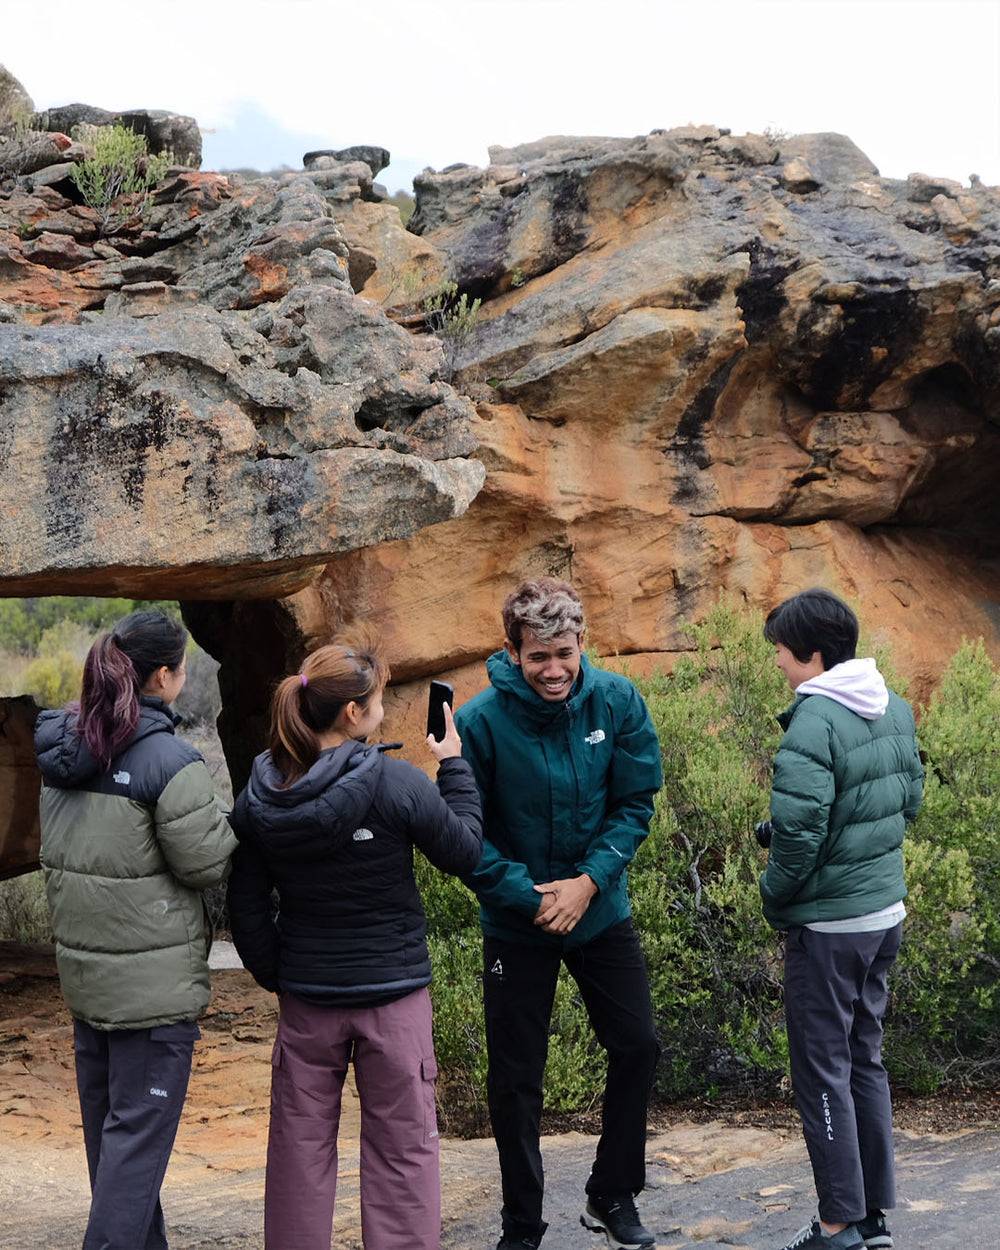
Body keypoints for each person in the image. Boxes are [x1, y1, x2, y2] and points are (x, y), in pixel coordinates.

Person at [226, 635, 483, 1250]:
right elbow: (466, 853)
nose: (382, 708)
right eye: (378, 700)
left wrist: (279, 973)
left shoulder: (262, 796)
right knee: (403, 1150)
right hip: (393, 1000)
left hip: (308, 1001)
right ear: (352, 713)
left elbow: (245, 902)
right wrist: (453, 764)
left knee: (298, 1152)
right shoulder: (397, 784)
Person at [455, 577, 663, 1250]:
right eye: (538, 656)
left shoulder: (617, 700)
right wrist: (531, 896)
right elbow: (465, 837)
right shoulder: (478, 723)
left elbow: (634, 805)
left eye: (564, 653)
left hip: (598, 910)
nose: (553, 670)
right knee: (516, 1079)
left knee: (638, 1044)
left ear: (582, 644)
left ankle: (612, 1191)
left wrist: (587, 883)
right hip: (517, 922)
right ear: (512, 651)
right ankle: (522, 1225)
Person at [34, 609, 237, 1250]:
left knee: (118, 1154)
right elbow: (207, 864)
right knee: (132, 1157)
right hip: (152, 1000)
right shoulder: (169, 761)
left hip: (89, 987)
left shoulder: (63, 751)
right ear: (163, 677)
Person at [759, 588, 924, 1250]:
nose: (776, 660)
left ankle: (836, 1225)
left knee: (822, 1069)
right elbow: (907, 802)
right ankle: (872, 1216)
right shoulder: (894, 706)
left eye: (780, 649)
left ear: (812, 653)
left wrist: (775, 897)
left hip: (829, 929)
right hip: (884, 915)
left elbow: (800, 838)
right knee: (863, 1060)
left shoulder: (815, 721)